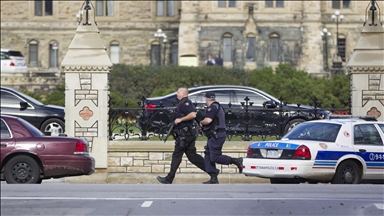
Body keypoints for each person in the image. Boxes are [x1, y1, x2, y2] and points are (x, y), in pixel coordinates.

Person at [157, 87, 209, 184]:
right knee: (192, 156)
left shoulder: (186, 103)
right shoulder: (181, 103)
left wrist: (180, 120)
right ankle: (213, 172)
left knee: (177, 155)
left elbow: (193, 114)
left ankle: (169, 178)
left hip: (185, 135)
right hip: (186, 135)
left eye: (178, 92)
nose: (177, 93)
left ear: (184, 94)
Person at [199, 92, 243, 184]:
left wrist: (201, 122)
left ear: (207, 99)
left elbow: (208, 120)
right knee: (208, 155)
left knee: (215, 157)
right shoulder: (218, 106)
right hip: (214, 135)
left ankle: (236, 161)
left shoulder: (213, 107)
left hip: (216, 135)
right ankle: (213, 177)